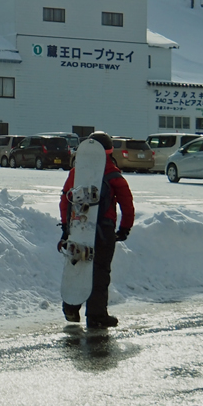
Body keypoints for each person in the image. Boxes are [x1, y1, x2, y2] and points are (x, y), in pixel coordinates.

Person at [57, 131, 135, 328]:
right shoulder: (113, 175)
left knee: (77, 266)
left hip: (78, 227)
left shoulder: (76, 173)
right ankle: (96, 316)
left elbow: (65, 200)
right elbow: (127, 204)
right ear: (109, 151)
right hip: (103, 231)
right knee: (99, 272)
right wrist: (124, 228)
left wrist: (66, 227)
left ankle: (71, 307)